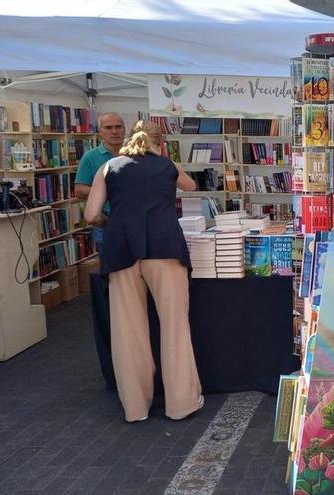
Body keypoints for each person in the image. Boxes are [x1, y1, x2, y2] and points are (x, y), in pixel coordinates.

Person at [84, 120, 202, 423]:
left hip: (122, 248)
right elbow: (191, 186)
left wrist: (111, 225)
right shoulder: (166, 166)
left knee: (128, 331)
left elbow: (90, 214)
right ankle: (181, 404)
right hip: (165, 247)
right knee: (174, 326)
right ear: (158, 141)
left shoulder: (109, 168)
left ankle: (135, 407)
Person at [75, 112, 126, 251]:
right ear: (100, 132)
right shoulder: (90, 157)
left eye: (118, 127)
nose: (114, 131)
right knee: (111, 269)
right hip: (106, 221)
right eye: (109, 128)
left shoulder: (134, 154)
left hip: (135, 220)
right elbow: (79, 190)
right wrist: (107, 192)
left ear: (124, 130)